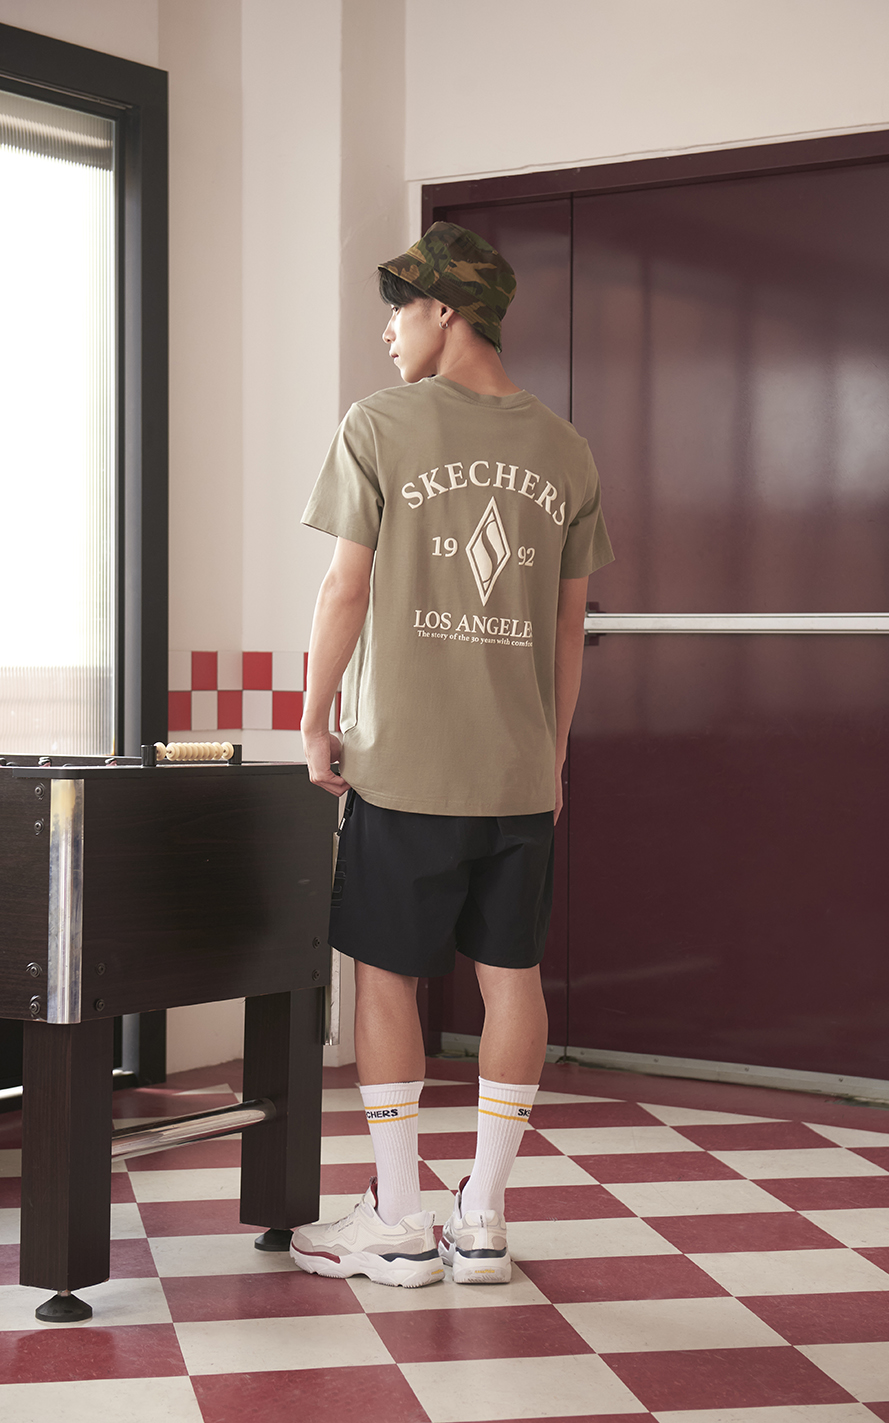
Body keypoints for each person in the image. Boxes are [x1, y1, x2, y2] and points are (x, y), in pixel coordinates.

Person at [291, 222, 612, 1288]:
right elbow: (567, 626)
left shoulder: (379, 424)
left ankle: (396, 1218)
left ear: (446, 310)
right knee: (511, 977)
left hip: (406, 765)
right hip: (517, 774)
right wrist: (550, 756)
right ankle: (482, 1220)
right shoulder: (565, 449)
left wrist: (314, 716)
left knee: (386, 979)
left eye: (399, 310)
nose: (388, 333)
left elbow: (345, 588)